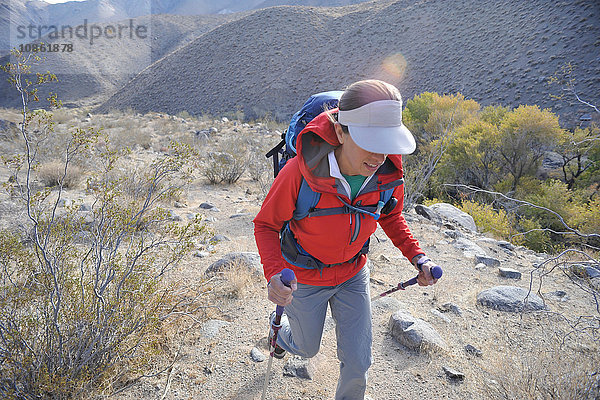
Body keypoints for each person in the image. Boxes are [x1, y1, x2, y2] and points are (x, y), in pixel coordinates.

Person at [253, 79, 438, 400]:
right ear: (341, 132)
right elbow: (266, 225)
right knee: (306, 347)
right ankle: (281, 335)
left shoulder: (389, 174)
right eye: (370, 142)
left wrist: (418, 257)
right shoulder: (299, 172)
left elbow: (391, 216)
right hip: (305, 279)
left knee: (358, 362)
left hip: (354, 274)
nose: (380, 155)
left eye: (387, 143)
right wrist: (272, 275)